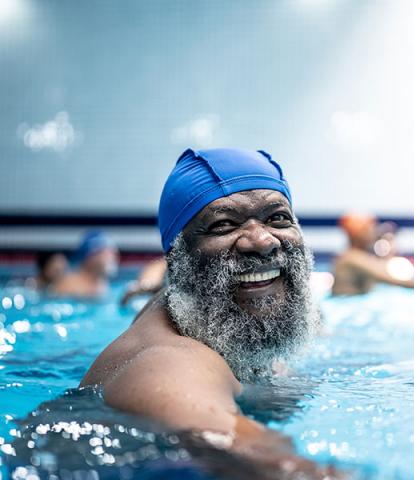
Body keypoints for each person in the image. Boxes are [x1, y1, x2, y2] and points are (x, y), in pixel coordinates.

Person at [81, 148, 341, 479]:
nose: (262, 240)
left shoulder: (193, 307)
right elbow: (285, 471)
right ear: (177, 260)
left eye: (277, 218)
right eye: (223, 225)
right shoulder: (167, 366)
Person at [332, 213, 414, 295]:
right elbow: (396, 280)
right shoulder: (352, 259)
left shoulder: (353, 257)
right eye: (370, 228)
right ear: (359, 234)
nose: (374, 231)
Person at [54, 231, 119, 298]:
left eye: (113, 253)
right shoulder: (69, 286)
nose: (113, 257)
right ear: (91, 257)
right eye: (108, 253)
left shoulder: (103, 284)